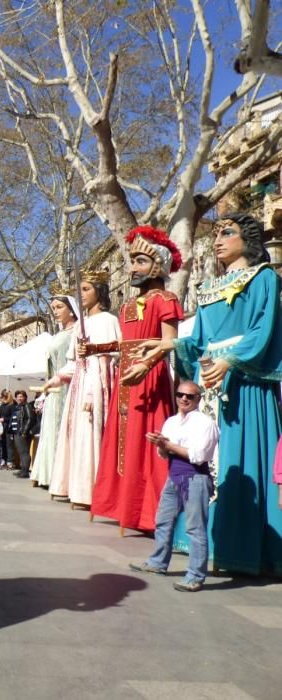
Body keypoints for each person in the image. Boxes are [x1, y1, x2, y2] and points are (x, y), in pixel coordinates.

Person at [140, 213, 282, 576]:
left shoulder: (265, 278)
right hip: (212, 383)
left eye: (227, 233)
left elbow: (263, 328)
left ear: (247, 240)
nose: (218, 240)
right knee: (207, 465)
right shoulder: (207, 288)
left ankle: (243, 548)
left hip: (244, 385)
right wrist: (164, 347)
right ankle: (205, 545)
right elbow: (199, 340)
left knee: (238, 461)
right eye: (216, 233)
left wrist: (231, 360)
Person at [88, 227, 183, 534]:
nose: (132, 268)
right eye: (132, 261)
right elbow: (123, 344)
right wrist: (94, 348)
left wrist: (147, 362)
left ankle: (146, 511)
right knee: (120, 442)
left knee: (145, 441)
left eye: (140, 261)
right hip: (125, 380)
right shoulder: (128, 306)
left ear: (157, 265)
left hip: (149, 378)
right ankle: (119, 505)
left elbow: (170, 342)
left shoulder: (165, 299)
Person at [130, 381, 219, 592]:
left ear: (198, 399)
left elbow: (198, 456)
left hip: (195, 478)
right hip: (174, 477)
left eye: (190, 396)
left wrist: (168, 445)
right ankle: (157, 563)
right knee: (163, 520)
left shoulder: (205, 423)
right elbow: (164, 454)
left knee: (195, 528)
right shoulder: (171, 421)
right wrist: (161, 444)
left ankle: (195, 576)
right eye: (180, 395)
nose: (184, 399)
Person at [49, 271, 121, 507]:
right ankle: (72, 487)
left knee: (90, 435)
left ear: (99, 292)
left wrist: (92, 391)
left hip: (98, 384)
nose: (82, 295)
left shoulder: (108, 321)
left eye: (86, 289)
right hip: (79, 384)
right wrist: (57, 378)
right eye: (80, 290)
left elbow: (116, 352)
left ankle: (90, 492)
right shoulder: (82, 324)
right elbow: (73, 363)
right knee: (75, 434)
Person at [30, 291, 79, 488]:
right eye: (53, 309)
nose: (56, 312)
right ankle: (47, 474)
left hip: (68, 387)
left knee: (63, 429)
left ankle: (61, 478)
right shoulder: (59, 334)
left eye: (60, 307)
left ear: (71, 310)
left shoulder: (76, 332)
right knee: (50, 429)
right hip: (54, 389)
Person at [8, 390, 36, 479]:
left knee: (24, 452)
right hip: (17, 432)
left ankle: (25, 471)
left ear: (25, 398)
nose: (19, 398)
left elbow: (30, 419)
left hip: (22, 433)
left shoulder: (26, 406)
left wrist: (24, 431)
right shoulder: (18, 407)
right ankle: (23, 469)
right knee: (21, 452)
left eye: (21, 396)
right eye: (18, 396)